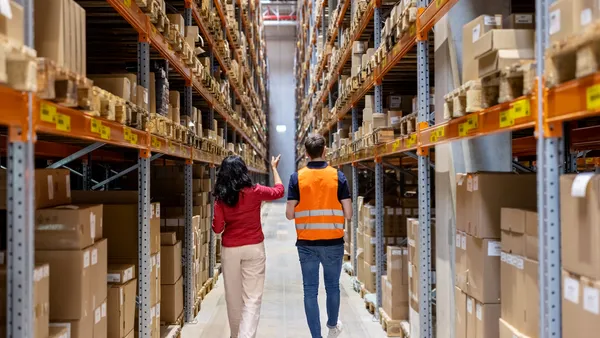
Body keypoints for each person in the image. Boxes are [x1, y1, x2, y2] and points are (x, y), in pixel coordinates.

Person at [285, 134, 353, 338]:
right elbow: (348, 213)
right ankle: (332, 327)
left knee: (310, 291)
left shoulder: (296, 178)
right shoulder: (338, 177)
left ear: (306, 153)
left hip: (306, 243)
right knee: (333, 286)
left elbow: (289, 214)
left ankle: (316, 336)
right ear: (325, 151)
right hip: (333, 242)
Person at [212, 154, 284, 338]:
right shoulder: (256, 191)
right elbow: (279, 191)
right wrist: (274, 168)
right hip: (254, 248)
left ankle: (236, 335)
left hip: (230, 250)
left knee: (233, 299)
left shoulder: (222, 198)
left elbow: (217, 228)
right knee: (252, 298)